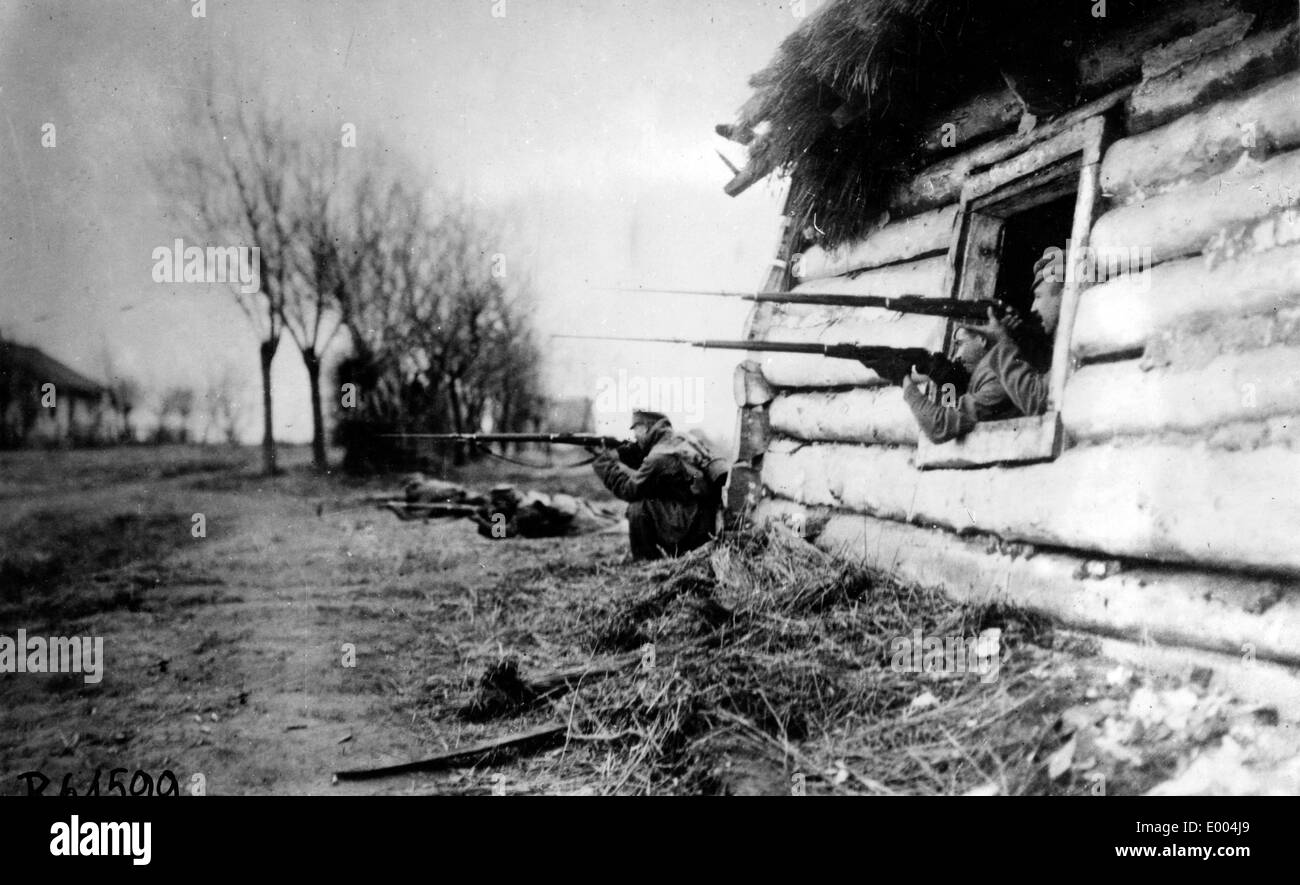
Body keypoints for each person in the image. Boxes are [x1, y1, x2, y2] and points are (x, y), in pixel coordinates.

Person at [902, 249, 1061, 442]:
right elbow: (953, 409)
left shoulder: (997, 377)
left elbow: (941, 424)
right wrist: (949, 383)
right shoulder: (989, 372)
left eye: (960, 343)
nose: (955, 355)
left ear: (983, 338)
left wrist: (906, 384)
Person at [590, 410, 728, 560]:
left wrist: (603, 463)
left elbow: (628, 489)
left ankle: (645, 561)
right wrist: (617, 453)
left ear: (645, 428)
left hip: (691, 526)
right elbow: (649, 460)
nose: (634, 436)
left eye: (635, 430)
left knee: (638, 508)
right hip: (706, 519)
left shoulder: (658, 457)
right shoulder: (681, 439)